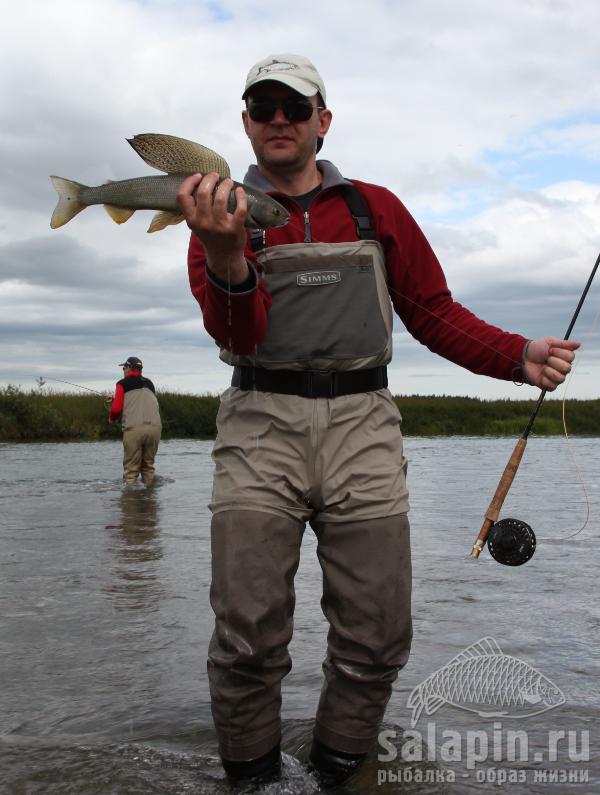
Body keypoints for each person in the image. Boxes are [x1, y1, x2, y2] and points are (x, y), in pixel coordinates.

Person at [176, 54, 579, 786]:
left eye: (294, 108)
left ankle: (339, 769)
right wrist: (226, 252)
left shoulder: (376, 209)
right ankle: (253, 779)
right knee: (247, 634)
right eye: (262, 106)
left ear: (322, 122)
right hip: (259, 421)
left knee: (379, 632)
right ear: (244, 122)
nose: (277, 119)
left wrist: (518, 354)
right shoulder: (218, 212)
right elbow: (238, 336)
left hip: (365, 423)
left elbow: (433, 313)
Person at [108, 356, 162, 487]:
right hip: (155, 429)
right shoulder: (149, 384)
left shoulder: (122, 383)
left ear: (129, 368)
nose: (123, 370)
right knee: (148, 466)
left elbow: (116, 409)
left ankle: (131, 502)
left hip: (134, 430)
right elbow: (140, 401)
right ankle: (149, 501)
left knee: (131, 471)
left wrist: (111, 419)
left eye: (124, 367)